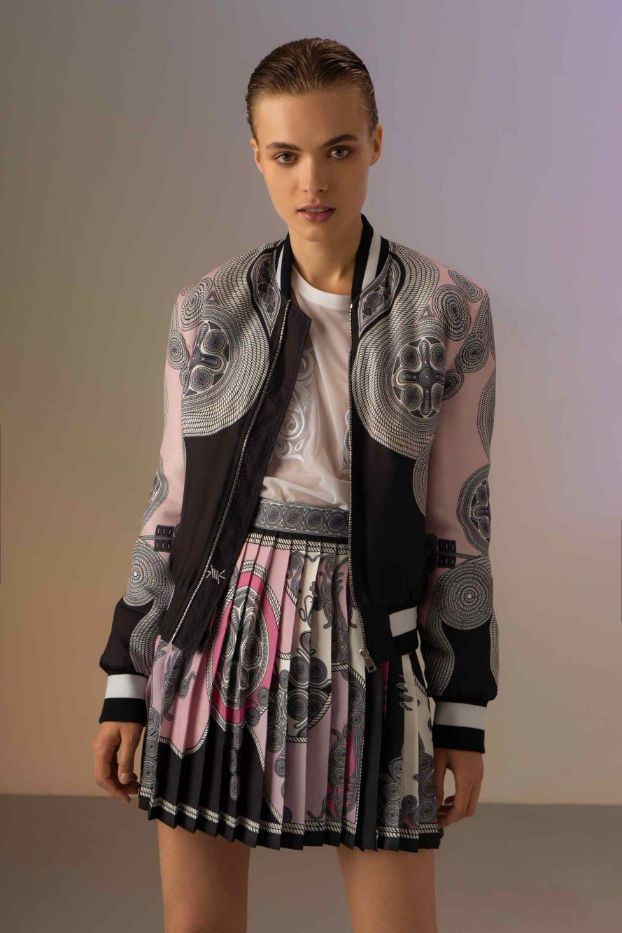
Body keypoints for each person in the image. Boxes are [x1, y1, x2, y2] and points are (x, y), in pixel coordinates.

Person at [92, 36, 498, 933]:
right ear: (256, 156)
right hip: (214, 632)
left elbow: (459, 522)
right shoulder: (207, 308)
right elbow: (169, 505)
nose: (312, 179)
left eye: (338, 149)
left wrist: (461, 708)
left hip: (376, 642)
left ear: (376, 143)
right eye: (285, 154)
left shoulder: (449, 309)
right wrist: (127, 677)